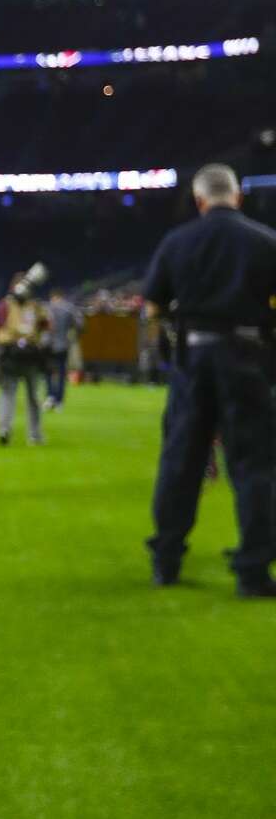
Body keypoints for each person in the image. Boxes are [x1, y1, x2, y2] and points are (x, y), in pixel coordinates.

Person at [143, 162, 276, 596]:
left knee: (182, 460)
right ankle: (253, 571)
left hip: (193, 359)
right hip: (248, 357)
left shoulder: (177, 242)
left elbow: (153, 307)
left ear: (200, 201)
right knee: (254, 464)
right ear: (237, 196)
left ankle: (167, 561)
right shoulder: (264, 241)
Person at [0, 275, 51, 446]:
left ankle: (6, 429)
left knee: (9, 394)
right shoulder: (33, 306)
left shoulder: (7, 305)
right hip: (25, 354)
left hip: (16, 354)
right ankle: (33, 434)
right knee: (31, 396)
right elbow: (46, 326)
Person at [45, 286, 81, 409]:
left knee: (49, 372)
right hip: (64, 344)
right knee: (61, 373)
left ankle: (50, 396)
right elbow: (80, 324)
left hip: (48, 345)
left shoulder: (47, 307)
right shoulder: (69, 308)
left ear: (53, 296)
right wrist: (73, 337)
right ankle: (59, 401)